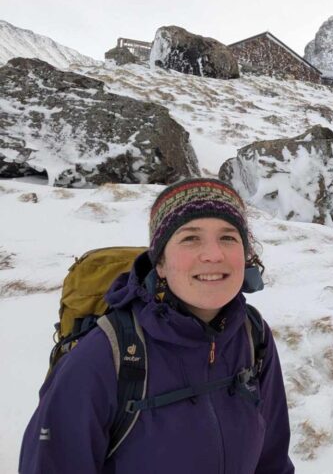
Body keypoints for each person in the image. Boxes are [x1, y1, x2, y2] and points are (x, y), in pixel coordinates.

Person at [20, 178, 294, 473]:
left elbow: (272, 462)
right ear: (159, 262)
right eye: (190, 238)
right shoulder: (105, 357)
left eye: (228, 237)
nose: (214, 254)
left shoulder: (253, 337)